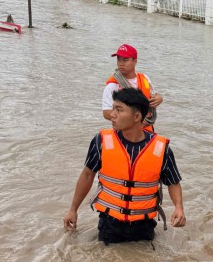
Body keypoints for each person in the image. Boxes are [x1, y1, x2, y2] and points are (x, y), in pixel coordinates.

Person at [64, 88, 185, 244]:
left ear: (136, 116)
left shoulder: (161, 149)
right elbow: (87, 175)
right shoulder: (101, 141)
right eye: (113, 108)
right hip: (110, 223)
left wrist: (179, 207)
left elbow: (173, 182)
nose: (112, 114)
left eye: (119, 110)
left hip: (144, 225)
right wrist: (73, 209)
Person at [102, 44, 163, 132]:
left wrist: (159, 99)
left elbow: (154, 96)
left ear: (135, 61)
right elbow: (106, 113)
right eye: (118, 59)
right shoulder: (112, 85)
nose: (121, 63)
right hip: (124, 133)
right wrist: (133, 119)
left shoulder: (144, 78)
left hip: (147, 131)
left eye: (125, 60)